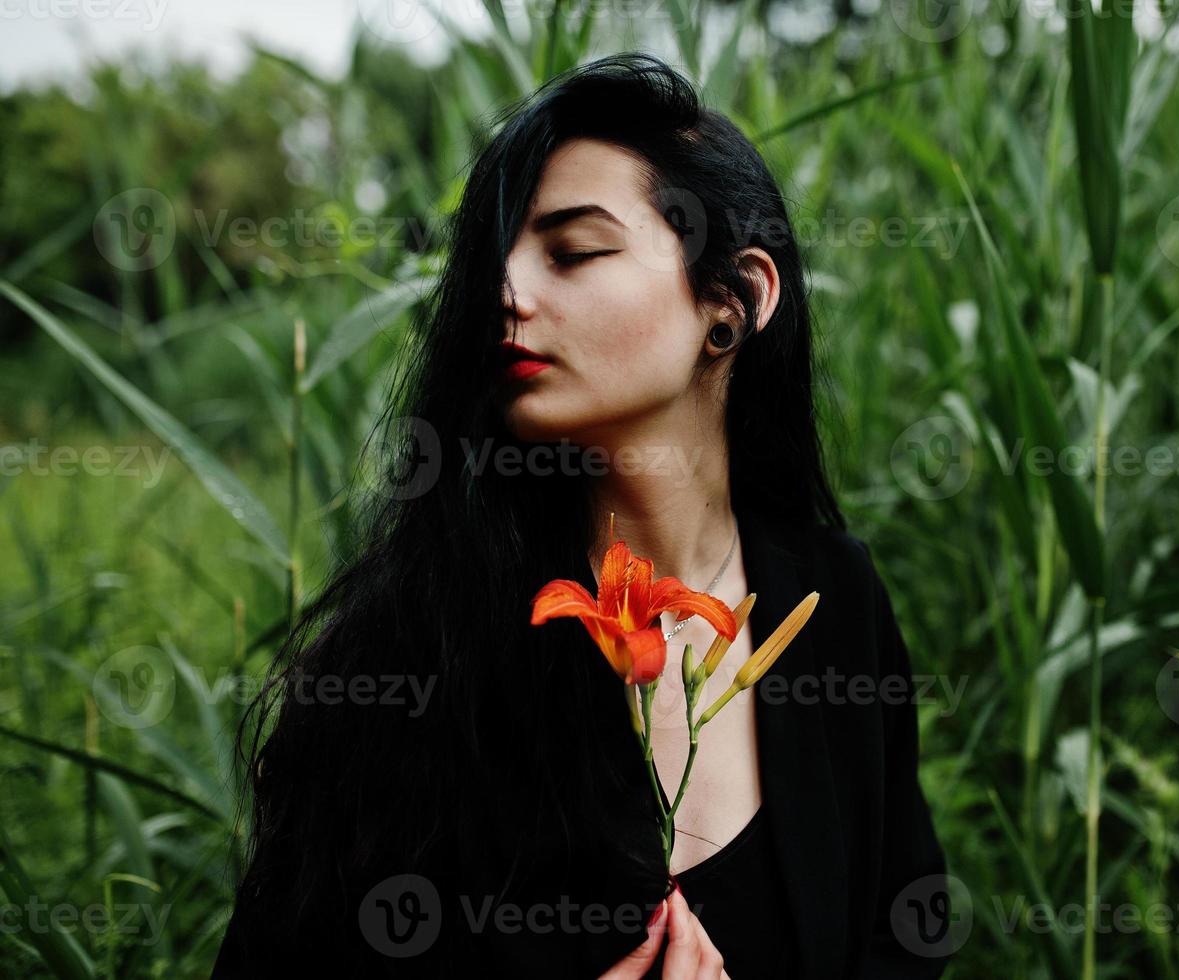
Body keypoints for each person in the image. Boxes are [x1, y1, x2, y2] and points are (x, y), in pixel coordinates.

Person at [212, 51, 952, 978]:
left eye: (573, 250)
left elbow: (903, 940)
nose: (502, 293)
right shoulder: (410, 651)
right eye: (496, 258)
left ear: (733, 300)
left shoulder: (832, 603)